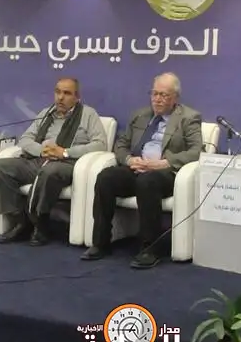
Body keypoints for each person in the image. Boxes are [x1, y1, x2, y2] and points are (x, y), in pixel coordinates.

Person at [82, 73, 203, 269]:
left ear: (175, 98)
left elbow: (197, 152)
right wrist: (129, 160)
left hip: (165, 173)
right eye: (154, 94)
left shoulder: (188, 118)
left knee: (147, 182)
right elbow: (121, 144)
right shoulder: (140, 115)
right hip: (137, 167)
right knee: (106, 177)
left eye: (164, 95)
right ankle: (101, 242)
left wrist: (164, 163)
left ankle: (150, 249)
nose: (157, 99)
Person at [0, 78, 108, 246]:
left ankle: (40, 224)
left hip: (67, 163)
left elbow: (100, 144)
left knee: (49, 172)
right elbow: (25, 139)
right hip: (39, 159)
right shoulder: (46, 113)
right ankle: (20, 221)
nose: (60, 97)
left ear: (77, 97)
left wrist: (65, 152)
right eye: (58, 92)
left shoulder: (88, 114)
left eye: (66, 93)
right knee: (1, 167)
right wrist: (41, 150)